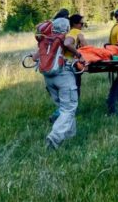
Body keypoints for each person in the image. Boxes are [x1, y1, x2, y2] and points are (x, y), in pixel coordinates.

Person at [44, 18, 84, 150]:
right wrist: (78, 54)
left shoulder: (47, 38)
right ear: (67, 28)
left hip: (49, 77)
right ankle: (54, 137)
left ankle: (70, 135)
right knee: (69, 107)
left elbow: (35, 56)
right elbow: (67, 43)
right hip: (64, 75)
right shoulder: (67, 36)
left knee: (63, 107)